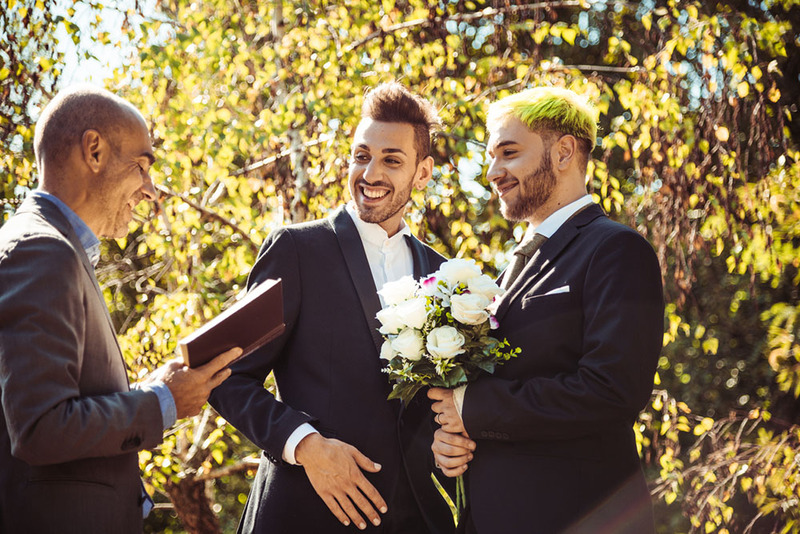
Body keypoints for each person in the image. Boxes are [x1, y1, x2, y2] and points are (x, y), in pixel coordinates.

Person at [209, 82, 454, 533]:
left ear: (423, 173)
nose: (371, 173)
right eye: (362, 156)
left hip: (411, 519)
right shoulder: (298, 250)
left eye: (392, 160)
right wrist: (306, 445)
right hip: (302, 514)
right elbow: (222, 374)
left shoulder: (444, 276)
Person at [0, 85, 242, 534]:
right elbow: (41, 427)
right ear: (93, 150)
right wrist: (164, 401)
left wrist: (153, 388)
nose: (151, 191)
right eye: (143, 167)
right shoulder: (42, 251)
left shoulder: (58, 252)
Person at [428, 87, 665, 533]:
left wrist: (473, 408)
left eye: (509, 153)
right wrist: (452, 441)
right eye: (491, 157)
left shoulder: (616, 249)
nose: (492, 172)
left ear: (563, 152)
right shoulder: (512, 264)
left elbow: (610, 391)